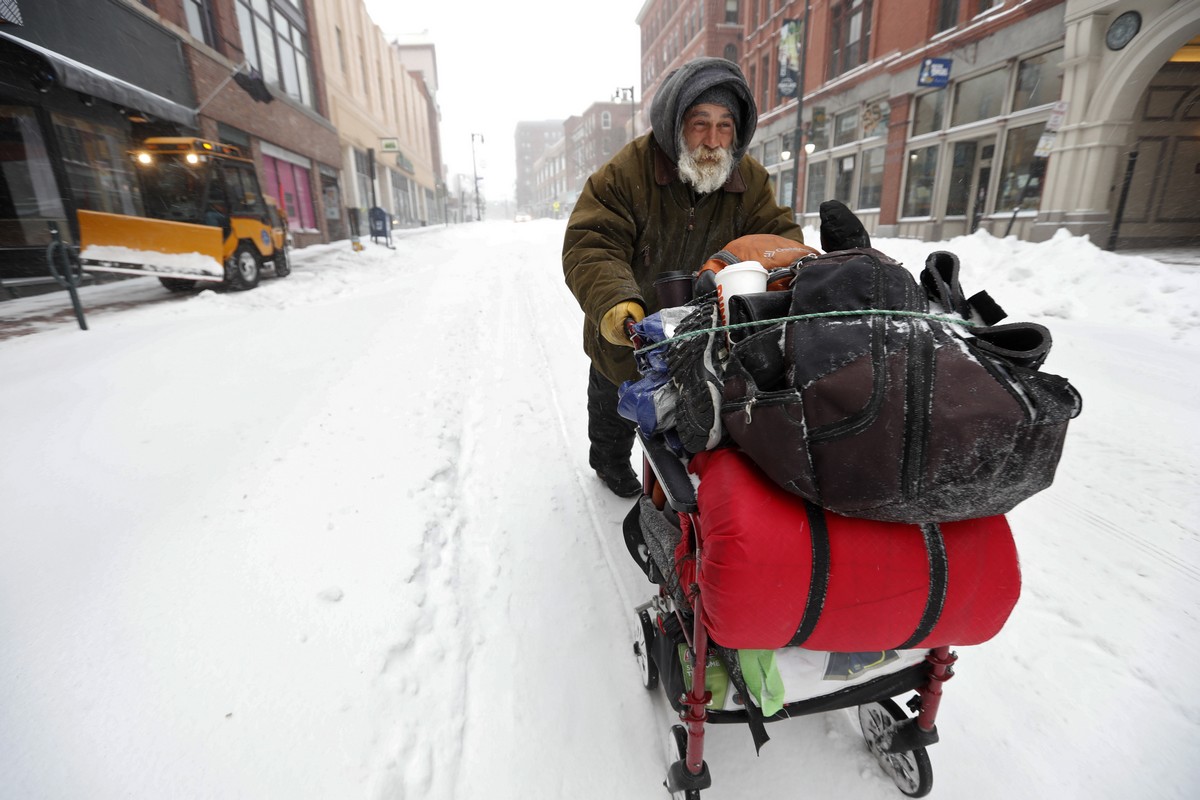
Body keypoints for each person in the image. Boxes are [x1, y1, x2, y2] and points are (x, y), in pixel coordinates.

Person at [563, 57, 806, 497]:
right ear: (676, 124)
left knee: (697, 414)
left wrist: (796, 277)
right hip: (630, 329)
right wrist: (617, 300)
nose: (713, 141)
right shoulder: (627, 172)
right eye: (700, 124)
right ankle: (609, 462)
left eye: (724, 126)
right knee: (612, 404)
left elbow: (779, 240)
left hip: (706, 332)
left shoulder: (747, 179)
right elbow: (592, 243)